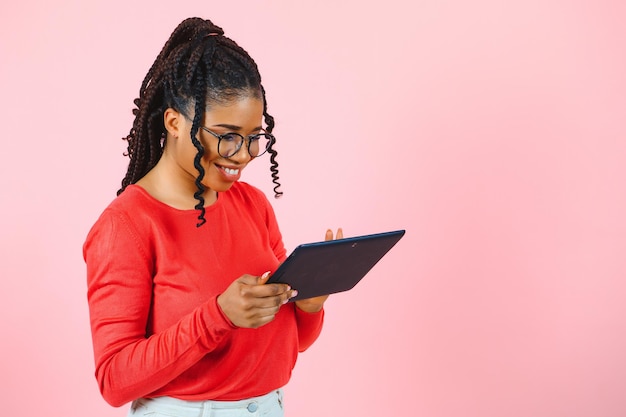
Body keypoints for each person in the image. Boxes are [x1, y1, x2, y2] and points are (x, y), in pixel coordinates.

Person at [83, 17, 342, 417]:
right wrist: (218, 316)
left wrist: (310, 303)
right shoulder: (127, 225)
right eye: (226, 135)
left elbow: (291, 342)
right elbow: (115, 381)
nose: (242, 155)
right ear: (174, 122)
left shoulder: (252, 204)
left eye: (255, 137)